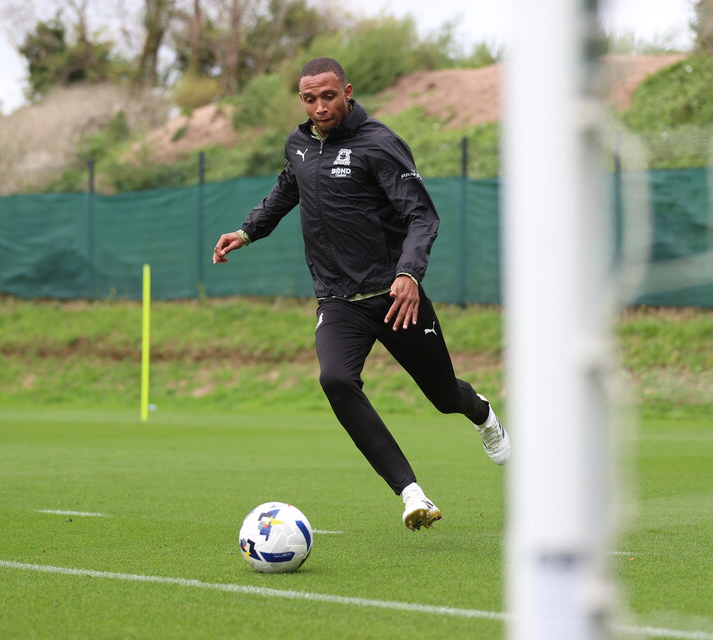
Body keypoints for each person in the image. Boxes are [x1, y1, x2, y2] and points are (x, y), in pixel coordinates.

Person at [212, 57, 509, 531]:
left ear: (346, 91)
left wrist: (409, 274)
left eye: (328, 96)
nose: (319, 106)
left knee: (443, 395)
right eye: (309, 99)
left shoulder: (379, 143)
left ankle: (482, 413)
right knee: (336, 380)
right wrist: (245, 233)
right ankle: (411, 494)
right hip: (337, 300)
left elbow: (421, 217)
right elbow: (283, 194)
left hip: (394, 296)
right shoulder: (300, 145)